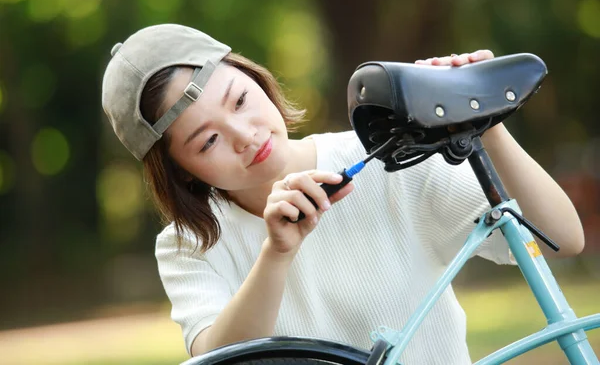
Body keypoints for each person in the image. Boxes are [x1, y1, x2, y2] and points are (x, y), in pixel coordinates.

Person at [101, 24, 585, 364]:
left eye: (241, 100)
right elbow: (223, 360)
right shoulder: (191, 243)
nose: (244, 135)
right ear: (181, 173)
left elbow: (562, 240)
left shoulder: (386, 159)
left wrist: (484, 122)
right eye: (207, 141)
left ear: (255, 77)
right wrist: (277, 253)